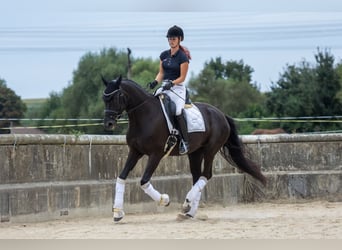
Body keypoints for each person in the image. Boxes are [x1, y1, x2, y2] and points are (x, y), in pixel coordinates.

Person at [149, 25, 191, 155]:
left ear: (179, 39)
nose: (171, 41)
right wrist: (155, 81)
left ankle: (185, 141)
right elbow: (161, 73)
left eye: (173, 39)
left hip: (177, 88)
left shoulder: (183, 57)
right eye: (169, 39)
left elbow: (182, 77)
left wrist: (172, 83)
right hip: (165, 86)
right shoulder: (164, 55)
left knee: (178, 111)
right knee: (151, 103)